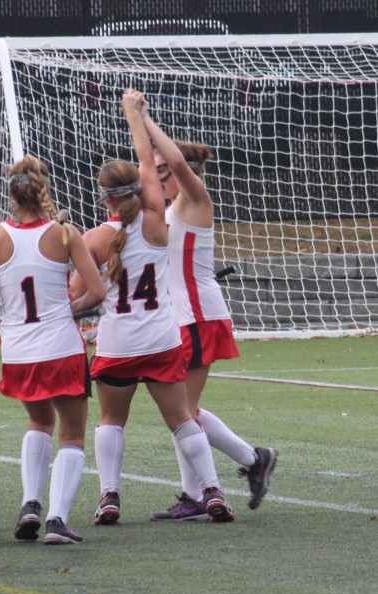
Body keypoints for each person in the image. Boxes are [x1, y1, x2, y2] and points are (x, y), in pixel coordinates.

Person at [70, 90, 234, 525]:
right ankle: (214, 492)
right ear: (141, 188)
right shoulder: (158, 222)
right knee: (183, 419)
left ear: (103, 197)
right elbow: (147, 159)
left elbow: (78, 296)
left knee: (110, 421)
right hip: (161, 337)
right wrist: (134, 116)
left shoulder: (94, 239)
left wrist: (72, 313)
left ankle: (109, 497)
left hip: (119, 340)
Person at [141, 113, 278, 521]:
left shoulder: (193, 199)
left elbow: (179, 166)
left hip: (199, 317)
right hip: (179, 320)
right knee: (184, 411)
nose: (157, 176)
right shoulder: (164, 212)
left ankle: (208, 488)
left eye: (162, 170)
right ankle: (249, 462)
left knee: (182, 412)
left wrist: (144, 120)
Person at [0, 155, 106, 544]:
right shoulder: (66, 232)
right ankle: (57, 521)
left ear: (10, 194)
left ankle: (30, 504)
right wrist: (68, 308)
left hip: (18, 352)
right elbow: (95, 290)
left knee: (39, 422)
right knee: (73, 433)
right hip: (60, 346)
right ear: (43, 187)